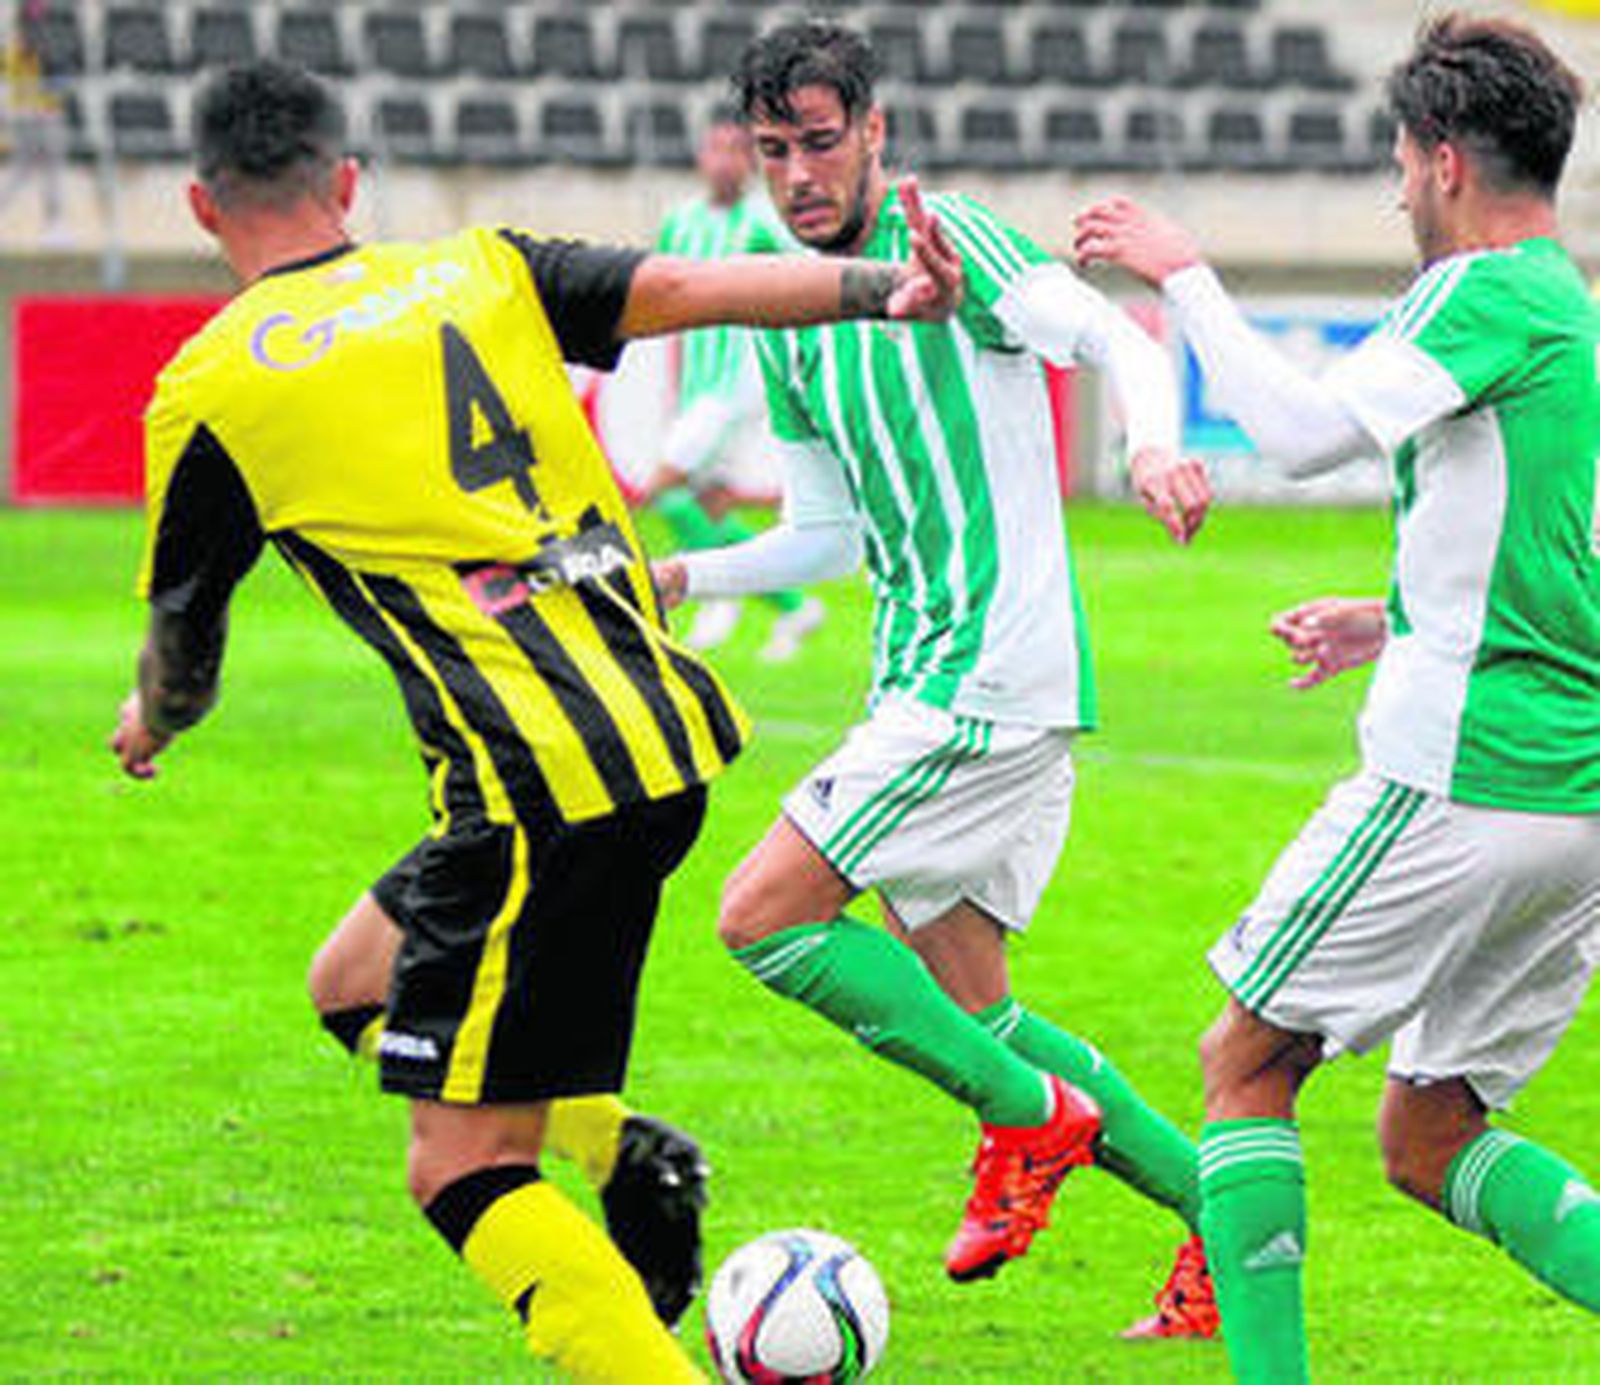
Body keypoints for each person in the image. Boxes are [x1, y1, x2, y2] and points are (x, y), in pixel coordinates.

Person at [107, 59, 961, 1381]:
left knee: (460, 1165)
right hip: (653, 737)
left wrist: (153, 720)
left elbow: (186, 643)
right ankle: (633, 1154)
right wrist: (883, 289)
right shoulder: (481, 267)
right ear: (346, 183)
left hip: (534, 790)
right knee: (354, 982)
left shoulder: (214, 385)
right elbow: (689, 292)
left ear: (200, 207)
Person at [652, 19, 1220, 1339]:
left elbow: (1125, 342)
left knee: (762, 917)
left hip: (986, 674)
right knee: (980, 1008)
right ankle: (1220, 1223)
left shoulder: (951, 237)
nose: (799, 172)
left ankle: (1026, 1122)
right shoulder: (786, 311)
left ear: (876, 133)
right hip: (929, 674)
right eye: (776, 148)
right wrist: (686, 579)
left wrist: (1149, 449)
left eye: (822, 141)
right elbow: (829, 536)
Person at [1076, 14, 1600, 1381]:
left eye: (1398, 160)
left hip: (1462, 778)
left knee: (1243, 1060)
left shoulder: (1482, 288)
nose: (1396, 187)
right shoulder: (1574, 315)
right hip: (1577, 797)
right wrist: (1395, 619)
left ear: (1438, 162)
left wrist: (1186, 279)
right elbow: (1556, 557)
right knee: (1428, 1136)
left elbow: (1304, 435)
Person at [641, 112, 825, 662]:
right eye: (715, 150)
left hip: (735, 385)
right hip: (699, 383)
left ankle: (716, 591)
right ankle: (793, 607)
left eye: (735, 151)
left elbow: (807, 283)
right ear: (701, 159)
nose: (724, 162)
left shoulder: (764, 223)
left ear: (750, 161)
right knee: (708, 505)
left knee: (663, 489)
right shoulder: (680, 223)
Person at [0, 0, 67, 244]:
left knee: (28, 170)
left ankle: (55, 224)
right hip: (35, 114)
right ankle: (54, 224)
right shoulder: (27, 41)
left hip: (38, 111)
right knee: (40, 170)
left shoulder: (29, 39)